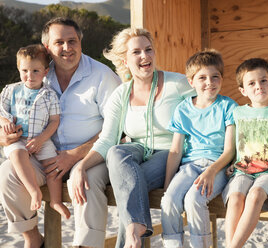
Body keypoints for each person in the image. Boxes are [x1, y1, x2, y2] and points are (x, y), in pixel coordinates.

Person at [0, 17, 121, 248]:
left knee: (86, 178)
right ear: (47, 48)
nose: (67, 48)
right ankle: (33, 239)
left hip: (90, 156)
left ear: (80, 42)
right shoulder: (37, 73)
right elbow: (13, 114)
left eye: (72, 41)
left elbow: (118, 128)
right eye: (59, 42)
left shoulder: (102, 76)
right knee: (7, 172)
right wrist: (3, 136)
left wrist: (75, 155)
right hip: (43, 157)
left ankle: (86, 245)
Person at [71, 27, 195, 248]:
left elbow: (205, 113)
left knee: (128, 190)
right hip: (137, 151)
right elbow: (108, 140)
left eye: (148, 50)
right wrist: (81, 166)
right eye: (136, 52)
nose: (145, 56)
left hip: (170, 153)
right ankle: (134, 229)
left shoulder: (179, 84)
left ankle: (132, 231)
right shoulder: (121, 94)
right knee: (116, 152)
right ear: (125, 61)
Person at [160, 49, 237, 248]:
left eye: (215, 77)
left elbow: (229, 150)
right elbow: (176, 151)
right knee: (169, 200)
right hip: (190, 167)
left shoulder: (228, 107)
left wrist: (211, 171)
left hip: (217, 167)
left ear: (221, 79)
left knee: (194, 199)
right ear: (191, 81)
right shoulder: (183, 109)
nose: (209, 82)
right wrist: (168, 183)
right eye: (202, 77)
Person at [222, 58, 268, 248]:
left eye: (263, 81)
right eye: (251, 83)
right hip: (242, 170)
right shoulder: (237, 113)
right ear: (243, 90)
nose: (258, 86)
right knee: (235, 197)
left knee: (255, 194)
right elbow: (235, 144)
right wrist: (231, 164)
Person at [0, 44, 70, 219]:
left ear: (45, 72)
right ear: (19, 68)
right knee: (17, 156)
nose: (29, 76)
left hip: (41, 138)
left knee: (53, 167)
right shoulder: (12, 90)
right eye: (25, 70)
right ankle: (34, 191)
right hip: (17, 139)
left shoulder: (49, 95)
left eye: (35, 71)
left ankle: (55, 201)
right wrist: (6, 122)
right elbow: (1, 111)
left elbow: (55, 121)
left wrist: (41, 139)